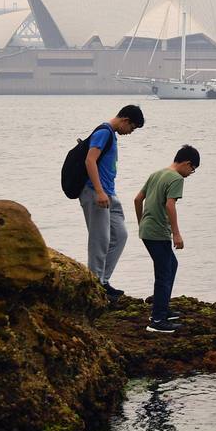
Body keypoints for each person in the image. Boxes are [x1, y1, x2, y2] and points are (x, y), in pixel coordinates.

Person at [79, 104, 144, 301]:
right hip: (95, 192)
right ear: (125, 120)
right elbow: (90, 161)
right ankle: (95, 284)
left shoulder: (111, 135)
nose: (130, 132)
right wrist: (99, 191)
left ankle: (103, 281)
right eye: (132, 128)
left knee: (120, 235)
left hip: (109, 193)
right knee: (99, 240)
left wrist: (106, 192)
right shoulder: (104, 132)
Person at [134, 144, 200, 334]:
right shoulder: (176, 178)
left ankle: (162, 308)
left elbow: (137, 199)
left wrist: (141, 223)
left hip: (147, 230)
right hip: (158, 232)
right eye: (192, 169)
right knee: (163, 273)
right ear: (187, 163)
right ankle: (157, 320)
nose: (190, 174)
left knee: (171, 265)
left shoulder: (157, 174)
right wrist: (176, 234)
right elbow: (170, 205)